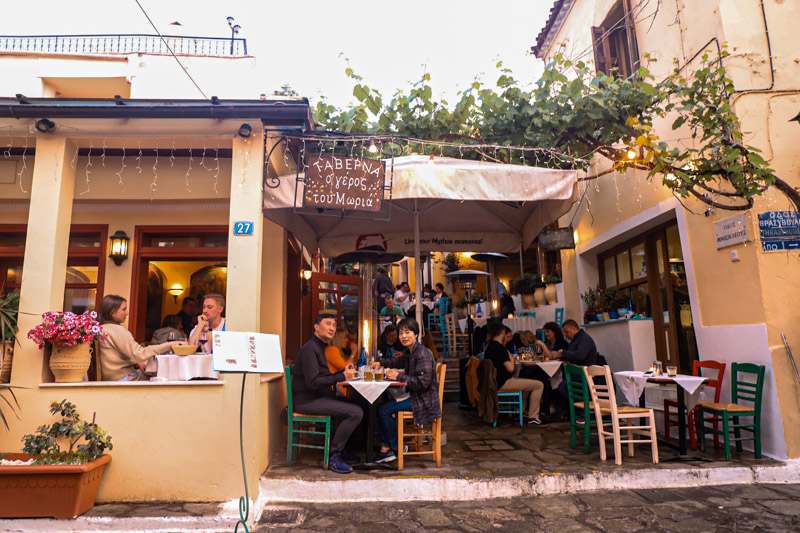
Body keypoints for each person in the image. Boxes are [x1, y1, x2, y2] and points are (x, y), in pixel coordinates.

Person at [292, 313, 363, 474]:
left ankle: (341, 448)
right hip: (307, 401)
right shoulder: (310, 349)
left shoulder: (320, 347)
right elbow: (313, 383)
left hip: (318, 396)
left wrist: (341, 373)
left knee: (359, 405)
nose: (332, 328)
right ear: (316, 327)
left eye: (333, 325)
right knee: (355, 412)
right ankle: (332, 456)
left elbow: (322, 377)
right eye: (328, 324)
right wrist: (341, 376)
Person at [373, 318, 441, 463]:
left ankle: (397, 447)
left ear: (416, 334)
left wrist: (398, 375)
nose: (403, 336)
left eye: (407, 332)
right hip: (416, 396)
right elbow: (398, 361)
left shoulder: (422, 354)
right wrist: (381, 362)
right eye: (401, 333)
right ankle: (386, 449)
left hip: (423, 400)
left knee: (383, 409)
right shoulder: (412, 352)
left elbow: (422, 383)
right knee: (382, 406)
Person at [98, 295, 185, 381]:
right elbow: (140, 354)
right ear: (112, 313)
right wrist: (169, 345)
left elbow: (118, 355)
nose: (127, 312)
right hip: (123, 378)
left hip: (110, 377)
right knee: (163, 379)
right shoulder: (117, 330)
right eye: (124, 309)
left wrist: (137, 364)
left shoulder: (101, 329)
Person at [484, 322, 544, 425]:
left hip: (493, 381)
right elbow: (511, 369)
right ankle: (533, 416)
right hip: (503, 382)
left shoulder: (488, 348)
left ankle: (519, 412)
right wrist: (511, 357)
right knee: (539, 385)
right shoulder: (500, 348)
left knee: (527, 385)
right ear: (503, 332)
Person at [552, 319, 599, 417]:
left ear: (573, 329)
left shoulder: (584, 339)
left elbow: (580, 355)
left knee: (563, 387)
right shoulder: (575, 341)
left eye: (566, 332)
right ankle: (574, 411)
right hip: (576, 373)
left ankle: (583, 411)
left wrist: (563, 352)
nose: (565, 335)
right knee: (555, 386)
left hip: (586, 374)